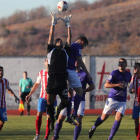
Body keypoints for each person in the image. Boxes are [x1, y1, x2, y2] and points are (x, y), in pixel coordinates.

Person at [88, 58, 131, 140]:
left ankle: (110, 138)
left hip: (122, 100)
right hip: (113, 99)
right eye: (119, 62)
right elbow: (106, 85)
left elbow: (130, 85)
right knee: (103, 117)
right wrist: (117, 85)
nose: (121, 63)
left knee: (119, 117)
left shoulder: (128, 74)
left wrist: (132, 89)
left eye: (122, 62)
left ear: (126, 64)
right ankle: (93, 127)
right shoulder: (114, 73)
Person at [51, 60, 95, 140]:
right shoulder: (68, 73)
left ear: (80, 63)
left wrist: (82, 91)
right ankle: (55, 136)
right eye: (74, 61)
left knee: (78, 119)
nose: (76, 62)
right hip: (68, 99)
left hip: (80, 100)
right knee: (60, 118)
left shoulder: (84, 74)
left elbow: (92, 86)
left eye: (78, 61)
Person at [55, 36, 92, 126]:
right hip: (71, 70)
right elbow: (80, 60)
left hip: (63, 71)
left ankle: (68, 116)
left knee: (70, 95)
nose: (83, 48)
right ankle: (74, 113)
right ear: (82, 42)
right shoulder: (77, 46)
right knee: (79, 91)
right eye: (84, 45)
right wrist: (88, 73)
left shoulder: (70, 45)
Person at [46, 12, 72, 131]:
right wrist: (53, 23)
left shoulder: (65, 50)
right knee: (49, 102)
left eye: (60, 40)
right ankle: (52, 119)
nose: (59, 41)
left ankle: (56, 114)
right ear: (54, 43)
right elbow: (51, 35)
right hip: (52, 78)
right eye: (57, 40)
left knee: (66, 102)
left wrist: (68, 25)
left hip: (62, 79)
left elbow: (69, 38)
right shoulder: (51, 50)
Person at [26, 58, 57, 140]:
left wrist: (52, 89)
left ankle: (46, 137)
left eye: (49, 61)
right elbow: (36, 84)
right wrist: (29, 94)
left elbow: (58, 85)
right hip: (42, 98)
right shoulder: (41, 73)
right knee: (39, 114)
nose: (48, 62)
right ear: (44, 63)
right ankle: (37, 134)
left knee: (49, 117)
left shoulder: (55, 72)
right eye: (47, 61)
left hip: (52, 99)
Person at [0, 66, 19, 131]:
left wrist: (15, 96)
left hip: (2, 105)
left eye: (2, 71)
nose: (1, 72)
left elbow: (8, 89)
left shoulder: (5, 81)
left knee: (2, 121)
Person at [129, 63, 140, 140]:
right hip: (136, 103)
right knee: (136, 122)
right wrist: (131, 90)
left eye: (136, 67)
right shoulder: (134, 77)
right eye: (134, 67)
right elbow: (130, 89)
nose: (134, 68)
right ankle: (137, 137)